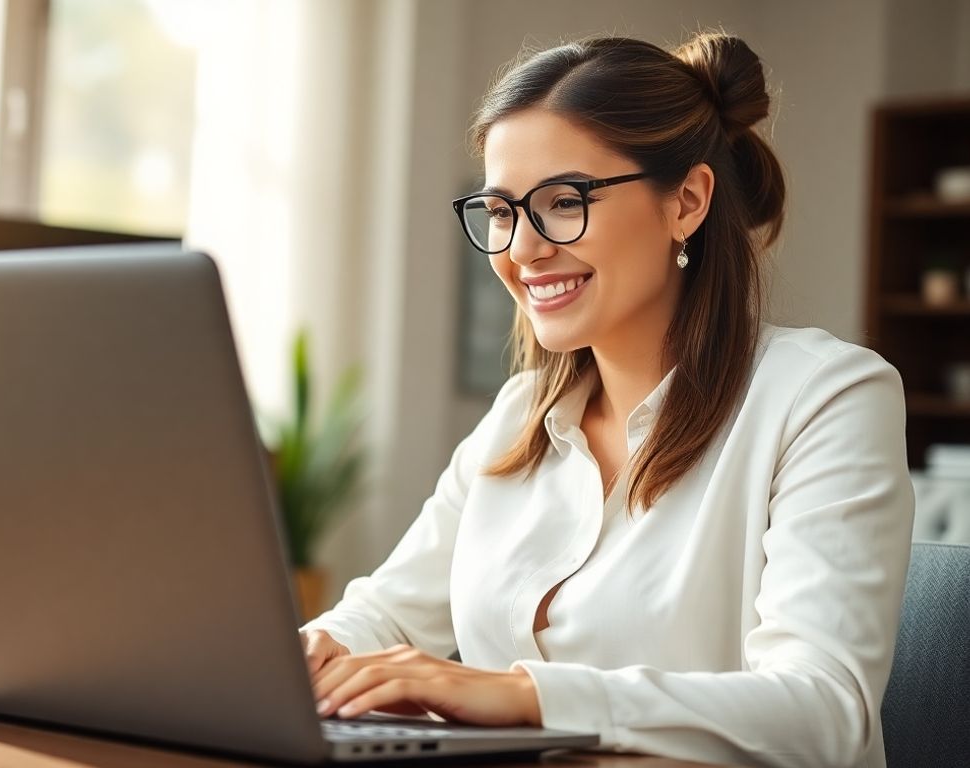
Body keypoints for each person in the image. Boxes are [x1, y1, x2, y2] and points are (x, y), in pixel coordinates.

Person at [299, 30, 913, 768]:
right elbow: (390, 613)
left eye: (563, 201)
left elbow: (824, 712)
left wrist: (530, 697)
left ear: (686, 201)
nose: (522, 249)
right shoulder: (518, 418)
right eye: (500, 212)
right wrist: (305, 656)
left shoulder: (826, 397)